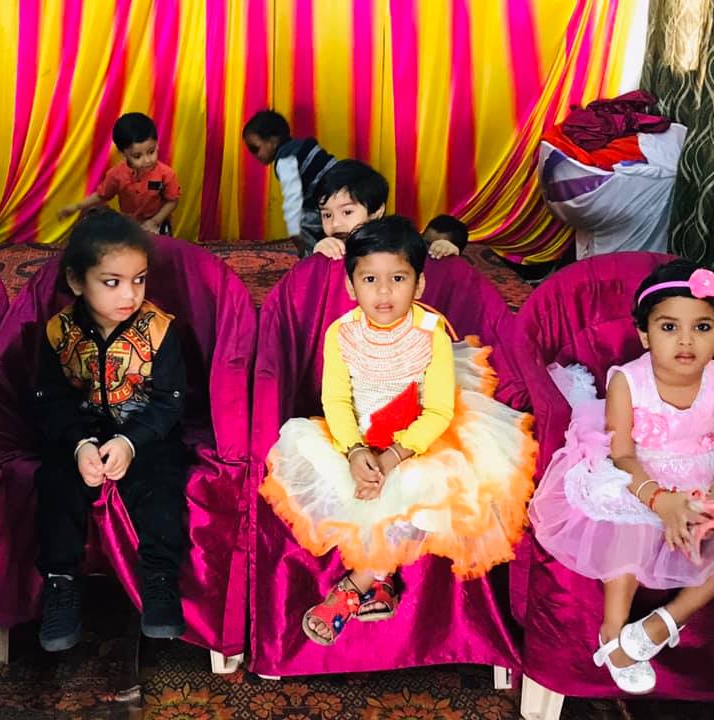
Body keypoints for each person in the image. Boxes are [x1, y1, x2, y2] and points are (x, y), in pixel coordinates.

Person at [261, 215, 536, 645]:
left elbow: (439, 410)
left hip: (420, 438)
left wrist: (392, 456)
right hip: (359, 433)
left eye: (398, 278)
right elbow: (336, 400)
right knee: (320, 461)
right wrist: (355, 451)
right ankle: (382, 581)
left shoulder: (431, 334)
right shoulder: (341, 333)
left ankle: (356, 585)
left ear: (419, 285)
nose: (384, 292)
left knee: (421, 488)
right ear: (351, 286)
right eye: (370, 279)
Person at [530, 259, 714, 695]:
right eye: (669, 327)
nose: (686, 340)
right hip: (639, 475)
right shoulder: (628, 381)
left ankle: (664, 622)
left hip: (701, 475)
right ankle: (613, 633)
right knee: (629, 527)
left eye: (702, 327)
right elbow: (624, 455)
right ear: (645, 334)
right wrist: (660, 500)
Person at [34, 209, 189, 652]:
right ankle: (61, 583)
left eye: (139, 280)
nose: (130, 294)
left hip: (143, 434)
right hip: (82, 433)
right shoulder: (58, 332)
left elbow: (170, 400)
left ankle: (160, 579)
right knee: (55, 482)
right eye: (112, 282)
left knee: (163, 480)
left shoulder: (159, 329)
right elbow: (50, 399)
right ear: (77, 280)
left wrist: (131, 442)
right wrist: (79, 444)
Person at [58, 112, 181, 235]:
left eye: (151, 151)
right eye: (137, 156)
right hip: (130, 226)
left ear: (157, 145)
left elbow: (172, 201)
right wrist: (77, 207)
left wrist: (155, 221)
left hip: (158, 225)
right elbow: (101, 195)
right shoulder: (116, 174)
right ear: (123, 154)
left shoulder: (167, 174)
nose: (147, 160)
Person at [242, 109, 336, 257]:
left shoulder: (284, 161)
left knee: (303, 227)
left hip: (329, 195)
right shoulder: (303, 145)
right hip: (342, 185)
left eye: (255, 149)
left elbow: (293, 200)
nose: (255, 155)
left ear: (273, 141)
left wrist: (295, 233)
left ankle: (311, 262)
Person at [311, 159, 388, 260]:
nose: (335, 223)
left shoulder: (394, 251)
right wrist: (317, 258)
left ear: (376, 211)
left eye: (347, 212)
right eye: (327, 215)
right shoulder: (325, 249)